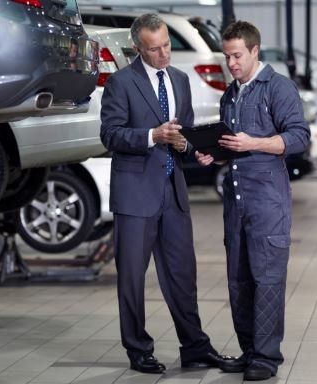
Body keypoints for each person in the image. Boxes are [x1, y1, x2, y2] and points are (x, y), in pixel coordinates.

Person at [100, 13, 233, 374]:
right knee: (131, 277)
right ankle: (138, 349)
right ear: (137, 48)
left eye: (167, 46)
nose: (163, 55)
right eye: (154, 49)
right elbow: (110, 135)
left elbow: (183, 134)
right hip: (135, 195)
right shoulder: (120, 83)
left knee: (182, 275)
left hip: (173, 193)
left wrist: (195, 148)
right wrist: (151, 136)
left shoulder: (179, 80)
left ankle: (194, 347)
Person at [196, 21, 310, 381]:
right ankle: (249, 351)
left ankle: (266, 356)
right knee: (239, 280)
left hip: (268, 203)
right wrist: (215, 154)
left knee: (268, 278)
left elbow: (298, 137)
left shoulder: (278, 88)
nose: (231, 63)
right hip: (237, 202)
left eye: (237, 55)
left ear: (254, 51)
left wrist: (254, 143)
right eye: (227, 56)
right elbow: (232, 143)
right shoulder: (230, 94)